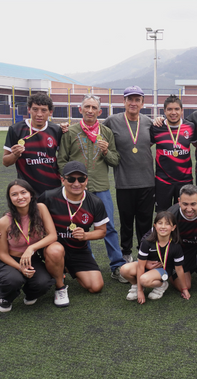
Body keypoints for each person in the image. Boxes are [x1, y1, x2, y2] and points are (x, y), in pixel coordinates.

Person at [57, 94, 125, 283]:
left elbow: (115, 160)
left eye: (94, 108)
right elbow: (61, 160)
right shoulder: (70, 132)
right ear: (80, 109)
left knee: (109, 226)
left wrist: (105, 151)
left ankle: (117, 266)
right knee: (80, 228)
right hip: (77, 190)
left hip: (101, 187)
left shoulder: (106, 132)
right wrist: (71, 182)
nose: (90, 110)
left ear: (100, 111)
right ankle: (87, 264)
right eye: (87, 107)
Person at [38, 161, 108, 307]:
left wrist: (86, 236)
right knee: (56, 250)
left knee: (96, 287)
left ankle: (66, 266)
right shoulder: (48, 197)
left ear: (86, 180)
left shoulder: (95, 202)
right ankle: (60, 286)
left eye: (81, 179)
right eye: (71, 179)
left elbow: (102, 232)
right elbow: (32, 220)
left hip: (78, 249)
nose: (76, 183)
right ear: (62, 180)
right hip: (53, 248)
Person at [103, 86, 155, 263]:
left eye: (137, 100)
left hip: (147, 182)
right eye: (130, 99)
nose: (133, 103)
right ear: (124, 101)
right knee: (126, 222)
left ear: (142, 103)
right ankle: (126, 253)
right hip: (124, 182)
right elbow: (93, 129)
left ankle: (144, 252)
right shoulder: (112, 121)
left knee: (145, 222)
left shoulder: (149, 122)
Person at [0, 180, 57, 312]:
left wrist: (31, 248)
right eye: (14, 194)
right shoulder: (4, 222)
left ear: (31, 194)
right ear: (10, 199)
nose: (20, 197)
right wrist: (20, 267)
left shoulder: (41, 208)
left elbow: (52, 235)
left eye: (23, 192)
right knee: (13, 279)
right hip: (10, 260)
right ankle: (5, 297)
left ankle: (30, 292)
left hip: (31, 258)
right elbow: (2, 253)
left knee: (43, 283)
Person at [121, 211, 190, 303]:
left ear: (173, 227)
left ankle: (162, 285)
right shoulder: (147, 242)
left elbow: (179, 269)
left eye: (167, 224)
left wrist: (184, 288)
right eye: (160, 223)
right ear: (155, 226)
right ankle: (137, 286)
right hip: (146, 267)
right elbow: (141, 266)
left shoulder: (176, 245)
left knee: (144, 280)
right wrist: (140, 291)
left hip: (163, 270)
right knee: (124, 269)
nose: (163, 226)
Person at [3, 93, 62, 195]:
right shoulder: (16, 129)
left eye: (44, 110)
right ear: (29, 110)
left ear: (50, 112)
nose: (39, 114)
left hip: (53, 189)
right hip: (27, 190)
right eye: (35, 109)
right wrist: (15, 155)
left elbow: (63, 159)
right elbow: (6, 162)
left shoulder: (56, 130)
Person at [151, 95, 197, 211]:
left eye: (176, 109)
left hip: (185, 180)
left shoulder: (190, 127)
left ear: (182, 110)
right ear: (164, 111)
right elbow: (146, 146)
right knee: (163, 214)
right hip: (163, 181)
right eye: (169, 109)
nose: (173, 112)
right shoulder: (157, 127)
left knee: (184, 213)